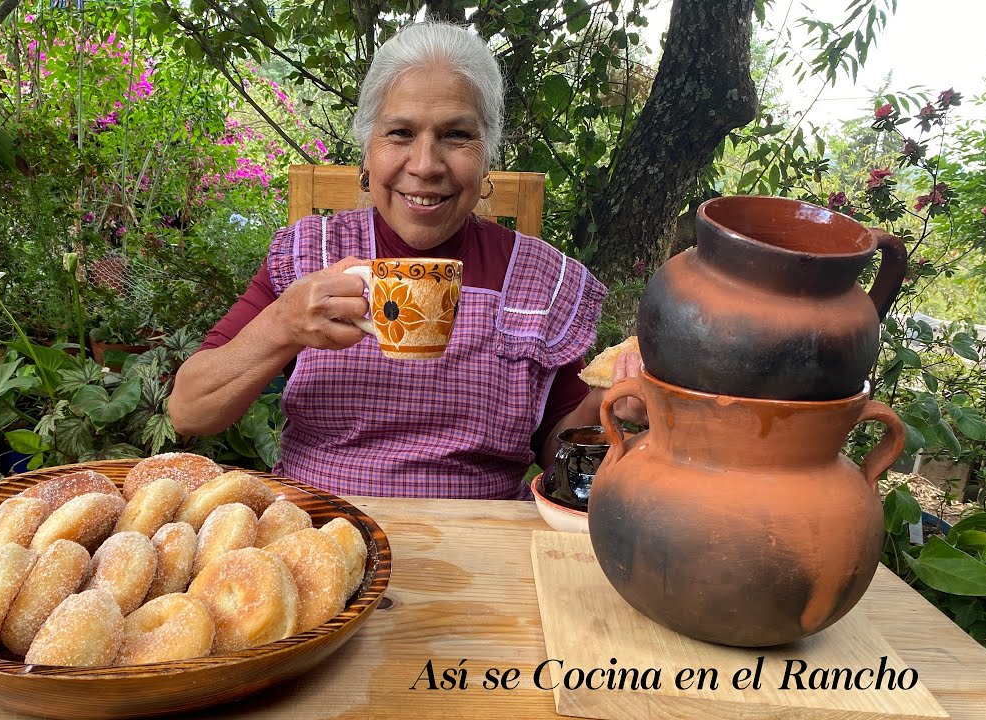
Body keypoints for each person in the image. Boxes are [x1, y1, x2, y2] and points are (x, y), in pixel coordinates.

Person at [169, 21, 643, 499]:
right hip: (317, 537)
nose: (425, 165)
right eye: (399, 133)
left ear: (486, 157)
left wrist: (612, 402)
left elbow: (556, 451)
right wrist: (283, 324)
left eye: (456, 135)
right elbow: (190, 411)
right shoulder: (309, 257)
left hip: (481, 545)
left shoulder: (539, 278)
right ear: (368, 150)